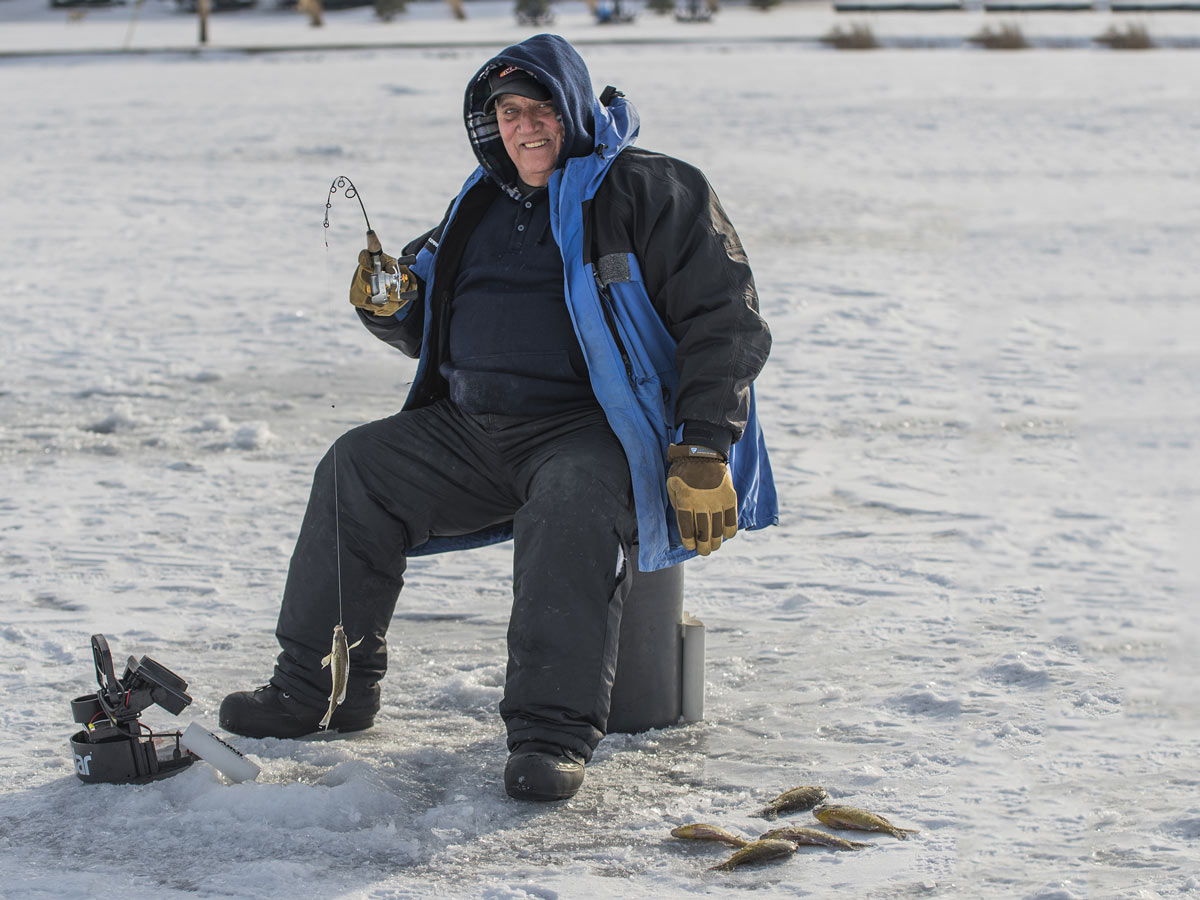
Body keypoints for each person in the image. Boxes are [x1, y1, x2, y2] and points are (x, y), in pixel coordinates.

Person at [220, 34, 776, 802]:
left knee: (573, 501)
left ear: (573, 108)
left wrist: (704, 446)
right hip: (473, 431)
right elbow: (430, 325)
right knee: (358, 467)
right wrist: (388, 305)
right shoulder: (477, 201)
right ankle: (318, 690)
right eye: (508, 112)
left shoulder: (653, 190)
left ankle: (551, 736)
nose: (525, 125)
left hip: (591, 433)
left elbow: (727, 324)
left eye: (541, 106)